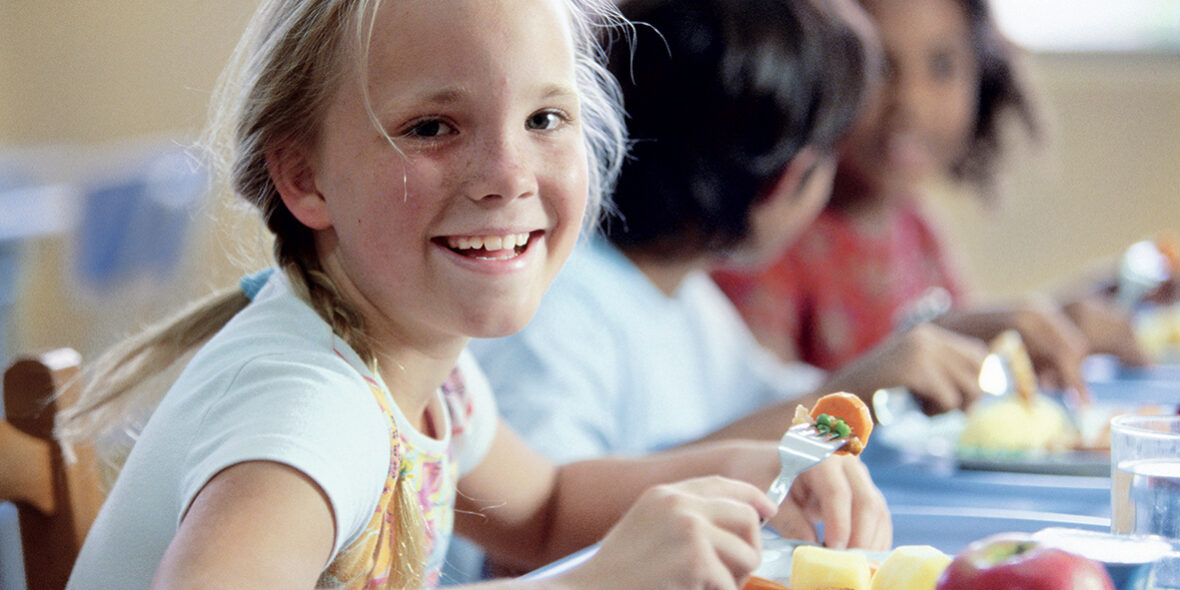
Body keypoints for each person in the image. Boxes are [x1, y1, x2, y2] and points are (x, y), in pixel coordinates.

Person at [58, 0, 891, 588]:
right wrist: (593, 584)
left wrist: (756, 473)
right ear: (305, 177)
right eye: (432, 127)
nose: (506, 175)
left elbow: (547, 509)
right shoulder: (306, 413)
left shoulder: (426, 369)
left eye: (544, 120)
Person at [471, 0, 993, 516]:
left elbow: (768, 401)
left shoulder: (683, 294)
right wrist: (838, 399)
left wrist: (884, 373)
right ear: (791, 180)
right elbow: (541, 526)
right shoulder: (560, 310)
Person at [712, 0, 1151, 398]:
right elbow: (762, 420)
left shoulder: (916, 226)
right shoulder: (769, 235)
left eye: (941, 66)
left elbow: (963, 349)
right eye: (880, 66)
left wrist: (1088, 304)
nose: (910, 103)